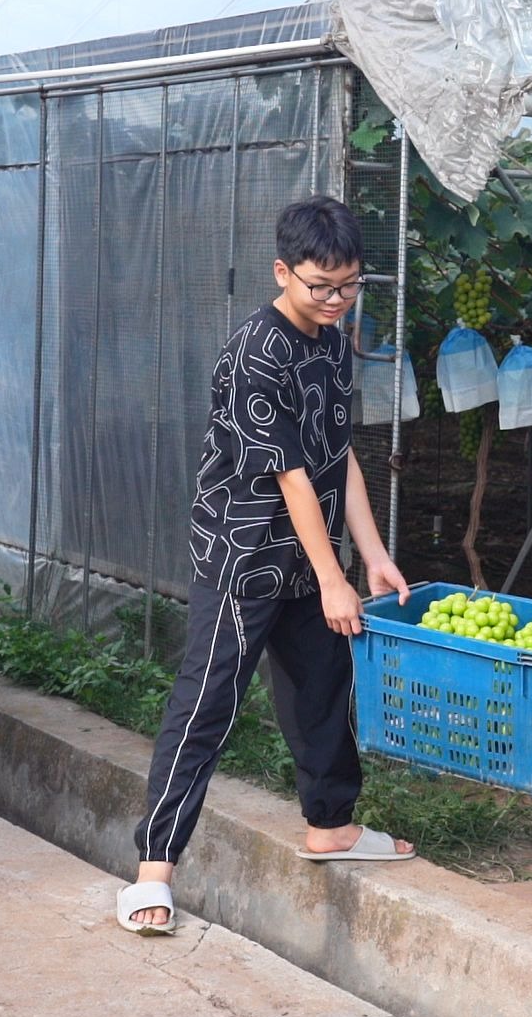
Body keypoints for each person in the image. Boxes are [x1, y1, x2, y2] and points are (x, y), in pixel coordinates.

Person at [118, 196, 416, 935]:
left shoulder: (332, 342)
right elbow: (289, 477)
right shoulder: (257, 352)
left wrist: (372, 555)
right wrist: (334, 579)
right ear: (282, 272)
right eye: (322, 286)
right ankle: (154, 869)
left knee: (323, 687)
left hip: (308, 557)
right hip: (243, 557)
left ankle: (332, 827)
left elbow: (337, 454)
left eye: (350, 285)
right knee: (206, 705)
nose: (337, 300)